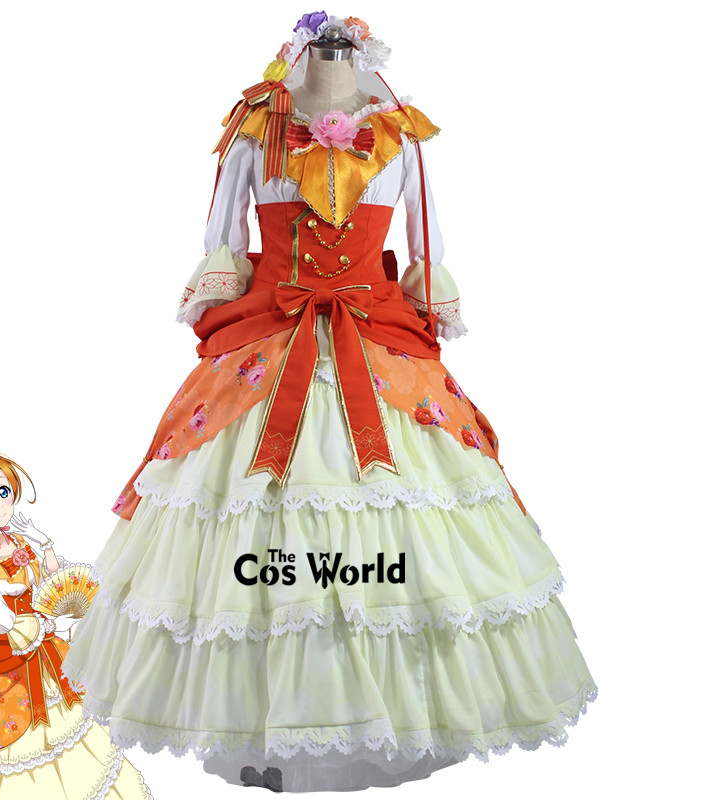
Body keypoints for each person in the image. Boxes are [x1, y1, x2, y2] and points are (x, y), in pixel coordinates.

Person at [62, 12, 597, 793]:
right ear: (302, 54)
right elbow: (221, 238)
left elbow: (427, 245)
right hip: (270, 336)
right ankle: (259, 715)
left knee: (409, 521)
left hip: (374, 337)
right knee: (238, 520)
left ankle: (398, 708)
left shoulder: (403, 133)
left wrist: (428, 306)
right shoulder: (254, 127)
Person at [0, 449, 152, 800]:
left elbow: (55, 578)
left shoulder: (19, 540)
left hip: (42, 642)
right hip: (1, 650)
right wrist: (48, 623)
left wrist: (42, 542)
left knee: (69, 727)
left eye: (4, 492)